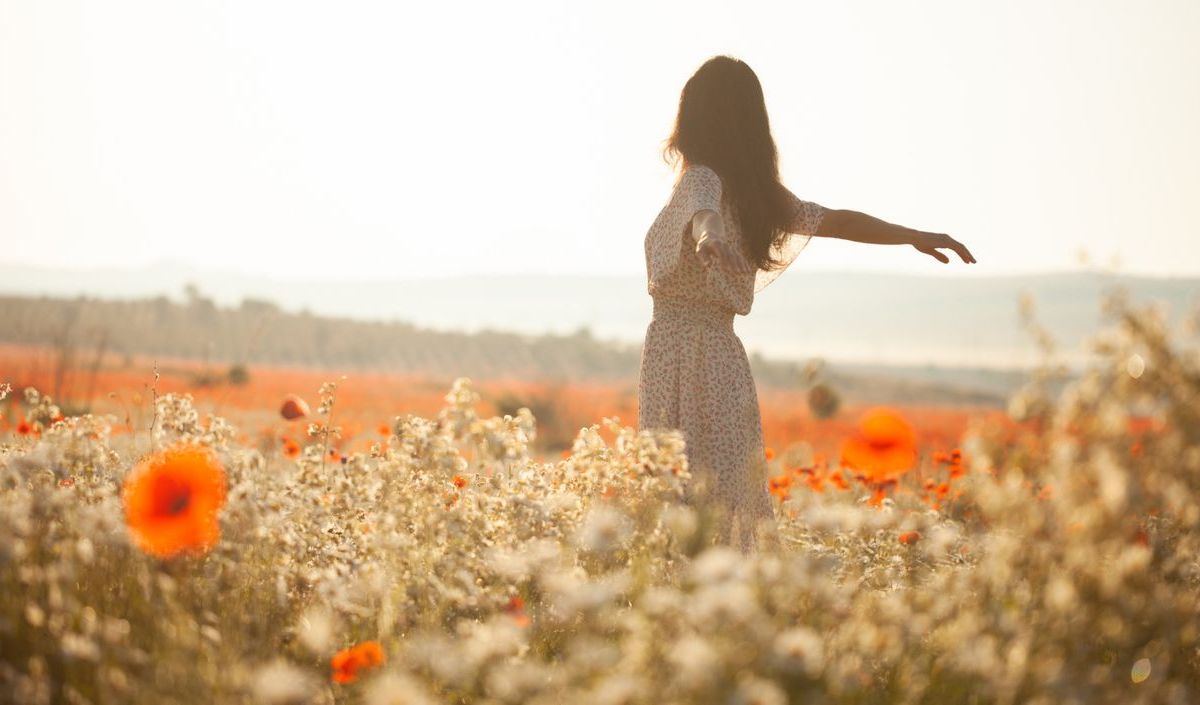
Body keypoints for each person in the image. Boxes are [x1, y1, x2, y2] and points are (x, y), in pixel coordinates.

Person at [638, 55, 975, 553]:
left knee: (680, 499)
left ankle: (687, 604)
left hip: (678, 352)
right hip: (722, 360)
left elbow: (704, 215)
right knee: (726, 495)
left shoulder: (701, 179)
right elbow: (836, 221)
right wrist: (912, 236)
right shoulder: (757, 197)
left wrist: (709, 238)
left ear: (695, 115)